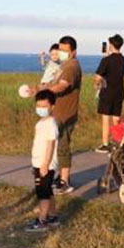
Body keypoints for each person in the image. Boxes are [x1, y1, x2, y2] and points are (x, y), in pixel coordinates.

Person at [37, 36, 82, 195]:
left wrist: (44, 91)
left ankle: (65, 181)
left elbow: (62, 86)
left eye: (65, 50)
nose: (61, 53)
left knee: (63, 147)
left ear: (73, 52)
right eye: (60, 49)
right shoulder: (63, 66)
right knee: (57, 147)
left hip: (66, 115)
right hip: (59, 113)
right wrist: (41, 88)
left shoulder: (71, 67)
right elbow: (54, 83)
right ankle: (60, 177)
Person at [26, 90, 61, 232]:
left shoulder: (51, 124)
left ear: (52, 106)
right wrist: (35, 164)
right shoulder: (41, 122)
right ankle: (52, 216)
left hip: (45, 164)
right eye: (38, 106)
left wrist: (45, 164)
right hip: (38, 163)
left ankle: (42, 220)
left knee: (43, 194)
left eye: (44, 106)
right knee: (48, 191)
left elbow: (50, 144)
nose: (40, 109)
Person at [94, 34, 124, 153]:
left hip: (107, 92)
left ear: (111, 45)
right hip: (119, 92)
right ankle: (118, 142)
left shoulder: (106, 60)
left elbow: (98, 77)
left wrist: (96, 85)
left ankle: (105, 144)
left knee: (105, 119)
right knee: (116, 119)